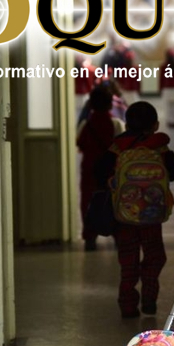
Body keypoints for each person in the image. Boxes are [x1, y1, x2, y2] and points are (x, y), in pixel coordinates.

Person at [95, 103, 174, 319]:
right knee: (155, 257)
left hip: (124, 217)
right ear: (155, 125)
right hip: (152, 217)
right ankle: (149, 298)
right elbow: (173, 173)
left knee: (127, 261)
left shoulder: (117, 147)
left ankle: (128, 305)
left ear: (126, 124)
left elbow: (101, 173)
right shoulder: (160, 147)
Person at [77, 85, 121, 251]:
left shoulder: (86, 125)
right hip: (111, 170)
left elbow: (80, 144)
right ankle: (116, 234)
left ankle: (90, 236)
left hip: (89, 169)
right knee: (113, 201)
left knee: (88, 202)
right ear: (111, 104)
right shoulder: (115, 124)